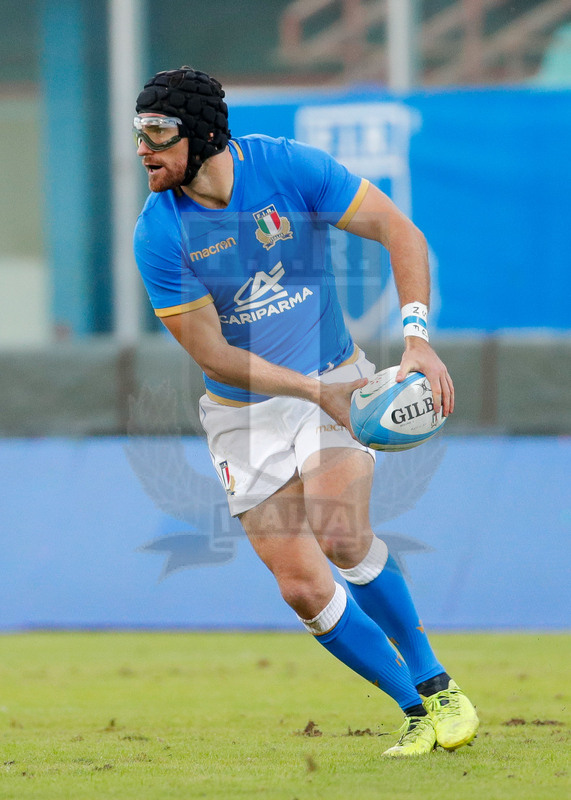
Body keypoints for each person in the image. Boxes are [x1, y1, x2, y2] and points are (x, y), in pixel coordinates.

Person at [132, 66, 479, 757]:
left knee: (340, 530)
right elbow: (213, 355)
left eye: (158, 134)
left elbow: (398, 233)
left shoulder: (287, 167)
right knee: (300, 589)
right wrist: (307, 391)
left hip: (335, 380)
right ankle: (415, 710)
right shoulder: (159, 234)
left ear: (202, 135)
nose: (143, 149)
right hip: (244, 415)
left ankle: (441, 687)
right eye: (139, 134)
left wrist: (416, 340)